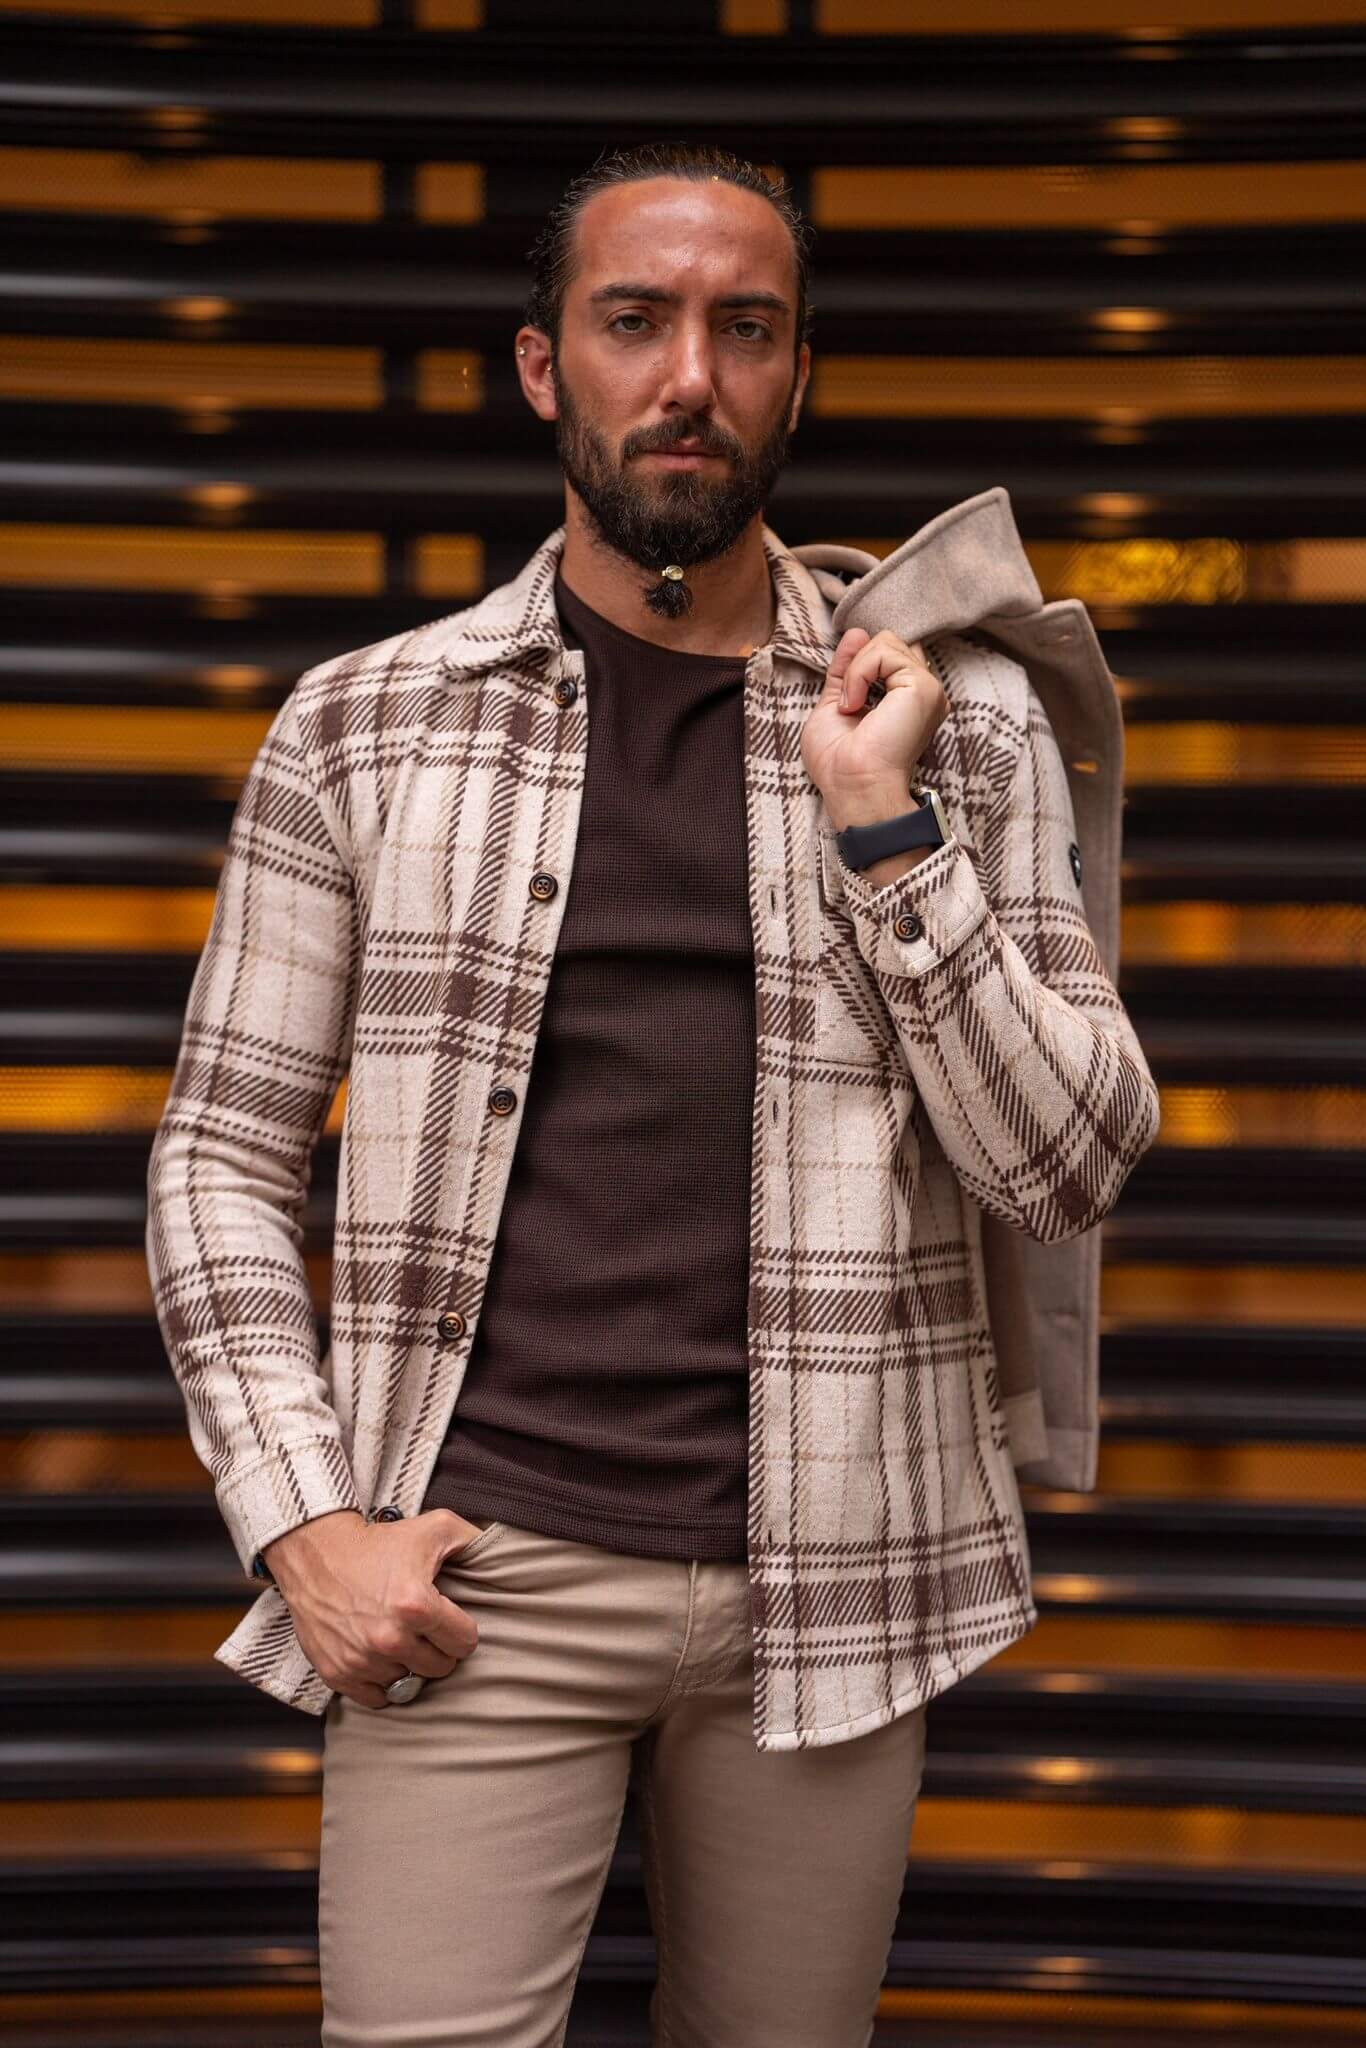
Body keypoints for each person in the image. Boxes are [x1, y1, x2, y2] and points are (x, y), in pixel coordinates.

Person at [145, 140, 1160, 2047]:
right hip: (477, 1577)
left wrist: (887, 835)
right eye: (635, 322)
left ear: (797, 373)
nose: (689, 376)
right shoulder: (363, 725)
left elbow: (1070, 1164)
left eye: (743, 329)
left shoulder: (957, 722)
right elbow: (219, 1157)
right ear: (545, 367)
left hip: (838, 1582)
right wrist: (301, 1521)